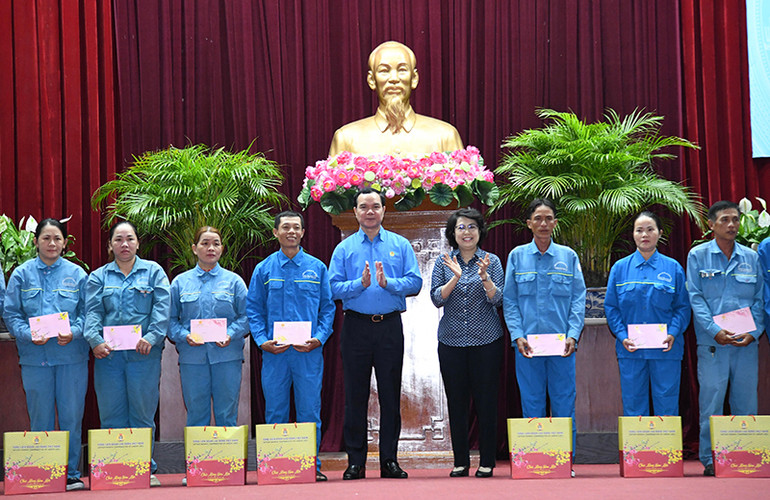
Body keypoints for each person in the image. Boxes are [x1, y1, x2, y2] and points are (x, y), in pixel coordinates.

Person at [329, 188, 422, 480]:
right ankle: (355, 462)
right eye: (363, 207)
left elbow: (415, 282)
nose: (370, 212)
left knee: (390, 395)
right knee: (355, 396)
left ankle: (389, 461)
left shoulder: (400, 244)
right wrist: (359, 284)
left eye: (375, 206)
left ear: (384, 210)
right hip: (355, 327)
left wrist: (388, 283)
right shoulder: (344, 249)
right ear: (355, 212)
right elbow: (333, 288)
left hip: (389, 327)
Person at [246, 211, 335, 482]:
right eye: (286, 227)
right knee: (275, 411)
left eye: (296, 227)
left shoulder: (317, 267)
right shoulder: (264, 269)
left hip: (308, 352)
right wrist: (262, 341)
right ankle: (275, 466)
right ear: (276, 232)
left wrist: (319, 337)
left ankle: (311, 465)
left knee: (309, 411)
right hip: (275, 354)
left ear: (303, 232)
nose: (291, 232)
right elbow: (253, 309)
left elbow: (328, 308)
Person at [2, 219, 88, 491]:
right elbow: (11, 314)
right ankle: (45, 471)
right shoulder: (21, 274)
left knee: (71, 416)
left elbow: (90, 314)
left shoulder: (78, 275)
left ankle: (71, 473)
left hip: (71, 356)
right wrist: (28, 334)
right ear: (36, 241)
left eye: (57, 239)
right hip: (35, 357)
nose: (52, 244)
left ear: (65, 242)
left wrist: (74, 331)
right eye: (46, 238)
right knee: (39, 417)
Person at [84, 221, 170, 486]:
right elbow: (92, 312)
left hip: (143, 354)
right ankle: (113, 468)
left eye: (129, 239)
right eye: (118, 239)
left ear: (137, 243)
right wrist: (95, 340)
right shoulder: (99, 276)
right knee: (111, 413)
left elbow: (162, 308)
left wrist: (152, 337)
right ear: (110, 245)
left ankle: (144, 469)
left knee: (142, 413)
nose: (124, 244)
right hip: (108, 356)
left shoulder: (154, 272)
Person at [502, 198, 586, 466]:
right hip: (528, 347)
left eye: (548, 218)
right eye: (537, 218)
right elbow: (510, 301)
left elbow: (577, 299)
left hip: (562, 347)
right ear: (529, 223)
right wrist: (517, 335)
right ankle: (536, 460)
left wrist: (573, 334)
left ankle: (564, 462)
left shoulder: (568, 256)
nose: (543, 223)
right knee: (532, 403)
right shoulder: (517, 256)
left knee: (564, 405)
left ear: (555, 223)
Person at [686, 200, 764, 476]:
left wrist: (753, 333)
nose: (732, 225)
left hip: (745, 343)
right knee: (712, 401)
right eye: (725, 220)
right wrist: (714, 331)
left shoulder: (752, 257)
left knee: (746, 402)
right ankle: (710, 458)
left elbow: (759, 299)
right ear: (711, 224)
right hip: (713, 344)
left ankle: (747, 455)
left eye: (735, 220)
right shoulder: (697, 256)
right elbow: (695, 298)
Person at [430, 208, 504, 478]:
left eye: (472, 227)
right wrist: (456, 277)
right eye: (461, 227)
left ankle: (487, 461)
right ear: (453, 233)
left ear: (479, 232)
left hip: (486, 342)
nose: (467, 232)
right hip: (451, 343)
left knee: (486, 403)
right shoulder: (443, 261)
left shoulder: (491, 260)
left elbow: (498, 300)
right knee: (457, 403)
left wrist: (484, 277)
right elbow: (437, 298)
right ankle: (460, 461)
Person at [604, 211, 691, 416]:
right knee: (633, 405)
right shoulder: (620, 268)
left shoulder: (673, 268)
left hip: (665, 349)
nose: (645, 234)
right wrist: (622, 336)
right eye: (639, 230)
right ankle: (637, 449)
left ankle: (667, 449)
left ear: (660, 233)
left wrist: (673, 333)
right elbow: (611, 308)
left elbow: (683, 307)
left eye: (650, 229)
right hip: (631, 350)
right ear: (633, 235)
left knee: (667, 405)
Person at [168, 226, 248, 427]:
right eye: (205, 243)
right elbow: (169, 321)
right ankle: (198, 460)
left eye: (216, 244)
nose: (211, 248)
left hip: (227, 357)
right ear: (195, 248)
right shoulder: (180, 283)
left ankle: (227, 459)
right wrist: (184, 335)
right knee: (196, 415)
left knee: (227, 415)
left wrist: (231, 334)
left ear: (222, 249)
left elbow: (247, 317)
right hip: (193, 359)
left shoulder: (234, 282)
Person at [329, 41, 463, 156]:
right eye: (384, 71)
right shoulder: (346, 139)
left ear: (414, 78)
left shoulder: (445, 136)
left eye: (402, 70)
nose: (394, 79)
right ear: (371, 80)